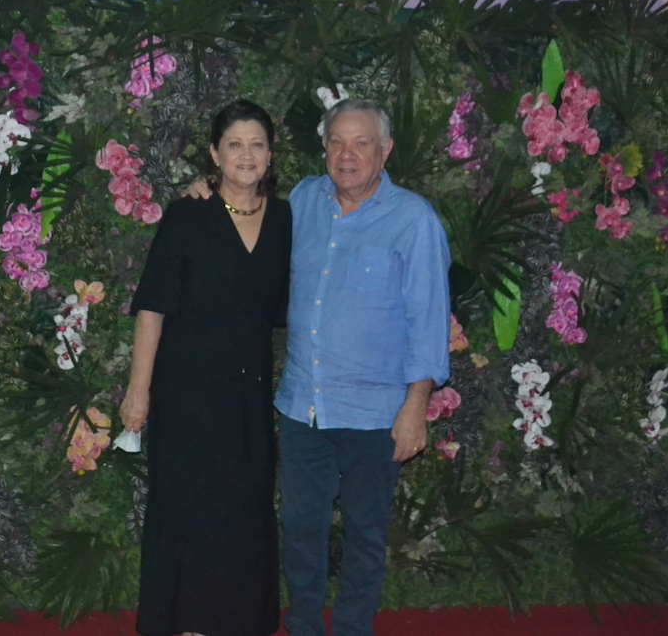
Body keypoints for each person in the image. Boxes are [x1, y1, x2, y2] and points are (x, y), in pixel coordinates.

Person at [277, 99, 451, 636]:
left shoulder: (414, 220)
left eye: (361, 143)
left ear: (385, 150)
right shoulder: (303, 200)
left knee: (365, 534)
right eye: (336, 142)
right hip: (302, 407)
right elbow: (243, 219)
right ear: (323, 148)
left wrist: (415, 407)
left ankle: (353, 629)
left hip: (376, 414)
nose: (346, 155)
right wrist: (206, 192)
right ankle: (304, 626)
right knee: (299, 527)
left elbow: (428, 319)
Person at [122, 100, 293, 636]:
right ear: (215, 154)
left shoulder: (286, 220)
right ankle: (186, 624)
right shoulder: (187, 216)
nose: (247, 155)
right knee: (188, 511)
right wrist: (138, 392)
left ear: (270, 154)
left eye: (257, 144)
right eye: (234, 144)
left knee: (243, 512)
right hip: (186, 394)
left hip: (248, 396)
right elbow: (152, 308)